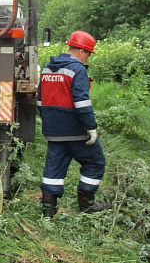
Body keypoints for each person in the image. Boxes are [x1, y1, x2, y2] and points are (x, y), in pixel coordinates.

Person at [37, 30, 110, 218]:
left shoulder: (47, 68)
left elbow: (39, 100)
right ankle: (87, 204)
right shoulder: (77, 69)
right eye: (87, 54)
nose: (86, 59)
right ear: (81, 52)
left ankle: (48, 211)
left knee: (54, 167)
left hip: (53, 128)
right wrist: (91, 127)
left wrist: (50, 120)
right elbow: (82, 102)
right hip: (75, 128)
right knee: (95, 162)